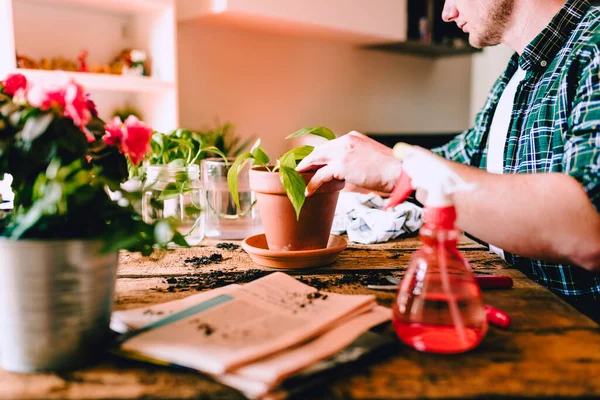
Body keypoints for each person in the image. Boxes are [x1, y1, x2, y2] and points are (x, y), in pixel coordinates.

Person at [296, 0, 600, 322]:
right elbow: (458, 162)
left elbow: (589, 228)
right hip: (532, 318)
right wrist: (362, 170)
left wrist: (398, 171)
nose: (446, 13)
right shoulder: (516, 75)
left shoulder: (593, 46)